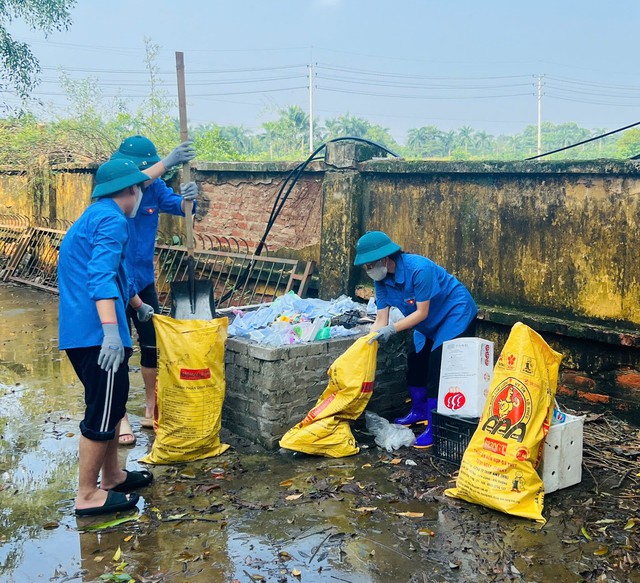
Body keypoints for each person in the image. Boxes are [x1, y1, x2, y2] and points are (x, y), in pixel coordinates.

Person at [58, 158, 156, 515]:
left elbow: (117, 272)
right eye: (140, 188)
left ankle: (112, 476)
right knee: (102, 410)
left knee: (113, 405)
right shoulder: (112, 220)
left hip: (83, 331)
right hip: (96, 335)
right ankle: (87, 495)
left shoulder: (96, 215)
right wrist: (112, 333)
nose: (141, 194)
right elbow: (99, 277)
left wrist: (138, 304)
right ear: (130, 190)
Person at [110, 135, 197, 445]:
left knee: (151, 346)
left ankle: (150, 405)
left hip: (144, 279)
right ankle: (118, 416)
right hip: (117, 282)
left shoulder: (156, 188)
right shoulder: (117, 185)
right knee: (117, 349)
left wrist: (190, 197)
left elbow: (184, 210)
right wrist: (169, 161)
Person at [354, 231, 478, 448]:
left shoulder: (419, 269)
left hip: (454, 313)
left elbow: (421, 312)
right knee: (415, 361)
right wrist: (367, 341)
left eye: (370, 265)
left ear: (385, 259)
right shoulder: (381, 281)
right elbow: (381, 319)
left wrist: (392, 329)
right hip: (427, 323)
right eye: (366, 267)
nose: (369, 270)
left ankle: (435, 425)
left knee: (436, 367)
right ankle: (419, 410)